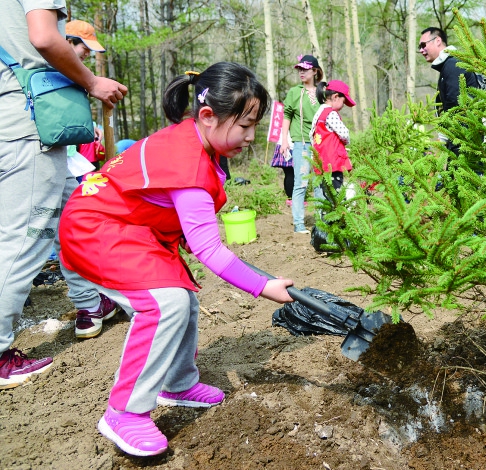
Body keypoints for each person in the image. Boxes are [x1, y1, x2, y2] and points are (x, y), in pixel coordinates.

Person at [58, 62, 294, 456]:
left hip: (132, 228)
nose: (252, 137)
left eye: (256, 125)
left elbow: (157, 203)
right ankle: (124, 412)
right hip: (95, 229)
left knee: (182, 298)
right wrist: (264, 286)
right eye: (245, 125)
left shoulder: (199, 144)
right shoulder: (187, 163)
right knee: (163, 303)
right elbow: (210, 251)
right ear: (207, 116)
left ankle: (178, 383)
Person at [0, 0, 127, 390]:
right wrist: (92, 82)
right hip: (27, 123)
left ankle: (90, 304)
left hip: (11, 119)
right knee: (25, 240)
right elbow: (42, 36)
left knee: (70, 215)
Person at [57, 19, 121, 340]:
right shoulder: (48, 62)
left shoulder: (63, 72)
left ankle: (92, 303)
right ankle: (90, 303)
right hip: (51, 165)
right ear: (67, 40)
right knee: (61, 236)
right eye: (83, 48)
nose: (85, 55)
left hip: (65, 163)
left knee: (69, 235)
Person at [418, 27, 486, 152]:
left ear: (438, 40)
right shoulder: (449, 65)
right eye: (419, 47)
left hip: (465, 143)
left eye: (423, 45)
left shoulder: (452, 65)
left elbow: (455, 107)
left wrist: (443, 139)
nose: (421, 50)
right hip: (461, 139)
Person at [279, 55, 324, 234]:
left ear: (315, 71)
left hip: (320, 144)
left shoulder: (322, 91)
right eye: (300, 69)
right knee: (301, 183)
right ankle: (299, 224)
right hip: (302, 144)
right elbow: (287, 115)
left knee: (321, 183)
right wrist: (284, 140)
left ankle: (322, 222)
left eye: (306, 69)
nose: (302, 72)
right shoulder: (294, 92)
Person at [309, 80, 356, 196]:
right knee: (337, 194)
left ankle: (325, 214)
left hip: (321, 162)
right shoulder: (331, 114)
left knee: (326, 193)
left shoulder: (319, 112)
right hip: (333, 163)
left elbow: (312, 135)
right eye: (343, 101)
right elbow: (344, 133)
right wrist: (345, 143)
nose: (343, 106)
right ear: (335, 97)